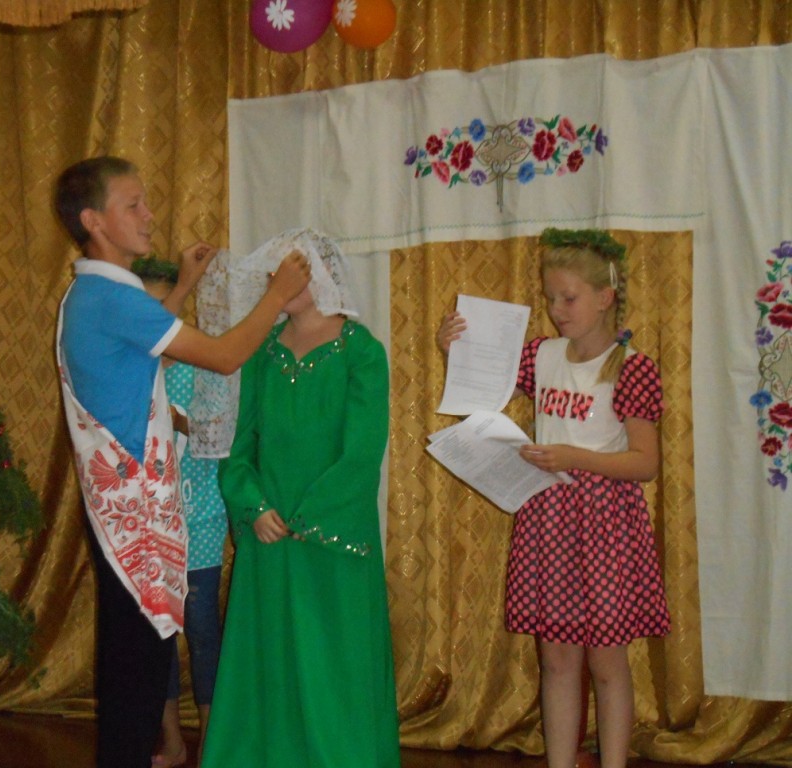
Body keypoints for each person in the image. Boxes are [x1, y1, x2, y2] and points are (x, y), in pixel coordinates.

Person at [52, 156, 310, 768]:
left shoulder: (92, 294)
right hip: (133, 514)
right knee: (138, 673)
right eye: (133, 205)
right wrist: (275, 295)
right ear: (94, 220)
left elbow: (141, 342)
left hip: (118, 510)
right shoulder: (114, 299)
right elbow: (223, 356)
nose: (149, 215)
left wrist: (185, 285)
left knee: (132, 664)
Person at [438, 228, 670, 768]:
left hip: (606, 526)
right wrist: (453, 349)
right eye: (550, 298)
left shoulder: (631, 367)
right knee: (558, 659)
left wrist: (573, 457)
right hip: (549, 520)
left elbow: (646, 462)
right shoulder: (540, 355)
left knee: (607, 664)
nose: (556, 310)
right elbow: (481, 389)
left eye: (569, 298)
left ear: (605, 297)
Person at [200, 228, 402, 768]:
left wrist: (307, 519)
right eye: (274, 272)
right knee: (272, 658)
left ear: (324, 274)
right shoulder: (262, 353)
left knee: (335, 662)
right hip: (269, 536)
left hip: (331, 541)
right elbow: (239, 446)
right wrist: (253, 506)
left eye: (292, 270)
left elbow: (362, 452)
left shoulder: (362, 352)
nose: (278, 281)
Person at [133, 258, 228, 768]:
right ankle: (170, 738)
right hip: (146, 521)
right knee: (158, 631)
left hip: (201, 515)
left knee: (203, 627)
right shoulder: (131, 370)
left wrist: (178, 422)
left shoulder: (202, 364)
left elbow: (223, 434)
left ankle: (212, 738)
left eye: (164, 304)